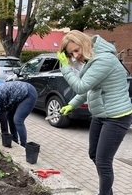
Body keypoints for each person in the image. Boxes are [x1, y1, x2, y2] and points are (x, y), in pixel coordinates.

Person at [57, 30, 132, 195]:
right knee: (94, 154)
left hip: (117, 117)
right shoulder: (93, 58)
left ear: (84, 42)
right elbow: (89, 88)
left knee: (104, 161)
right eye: (71, 54)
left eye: (76, 50)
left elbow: (81, 86)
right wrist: (72, 104)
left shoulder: (104, 59)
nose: (75, 56)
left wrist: (65, 67)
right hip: (101, 115)